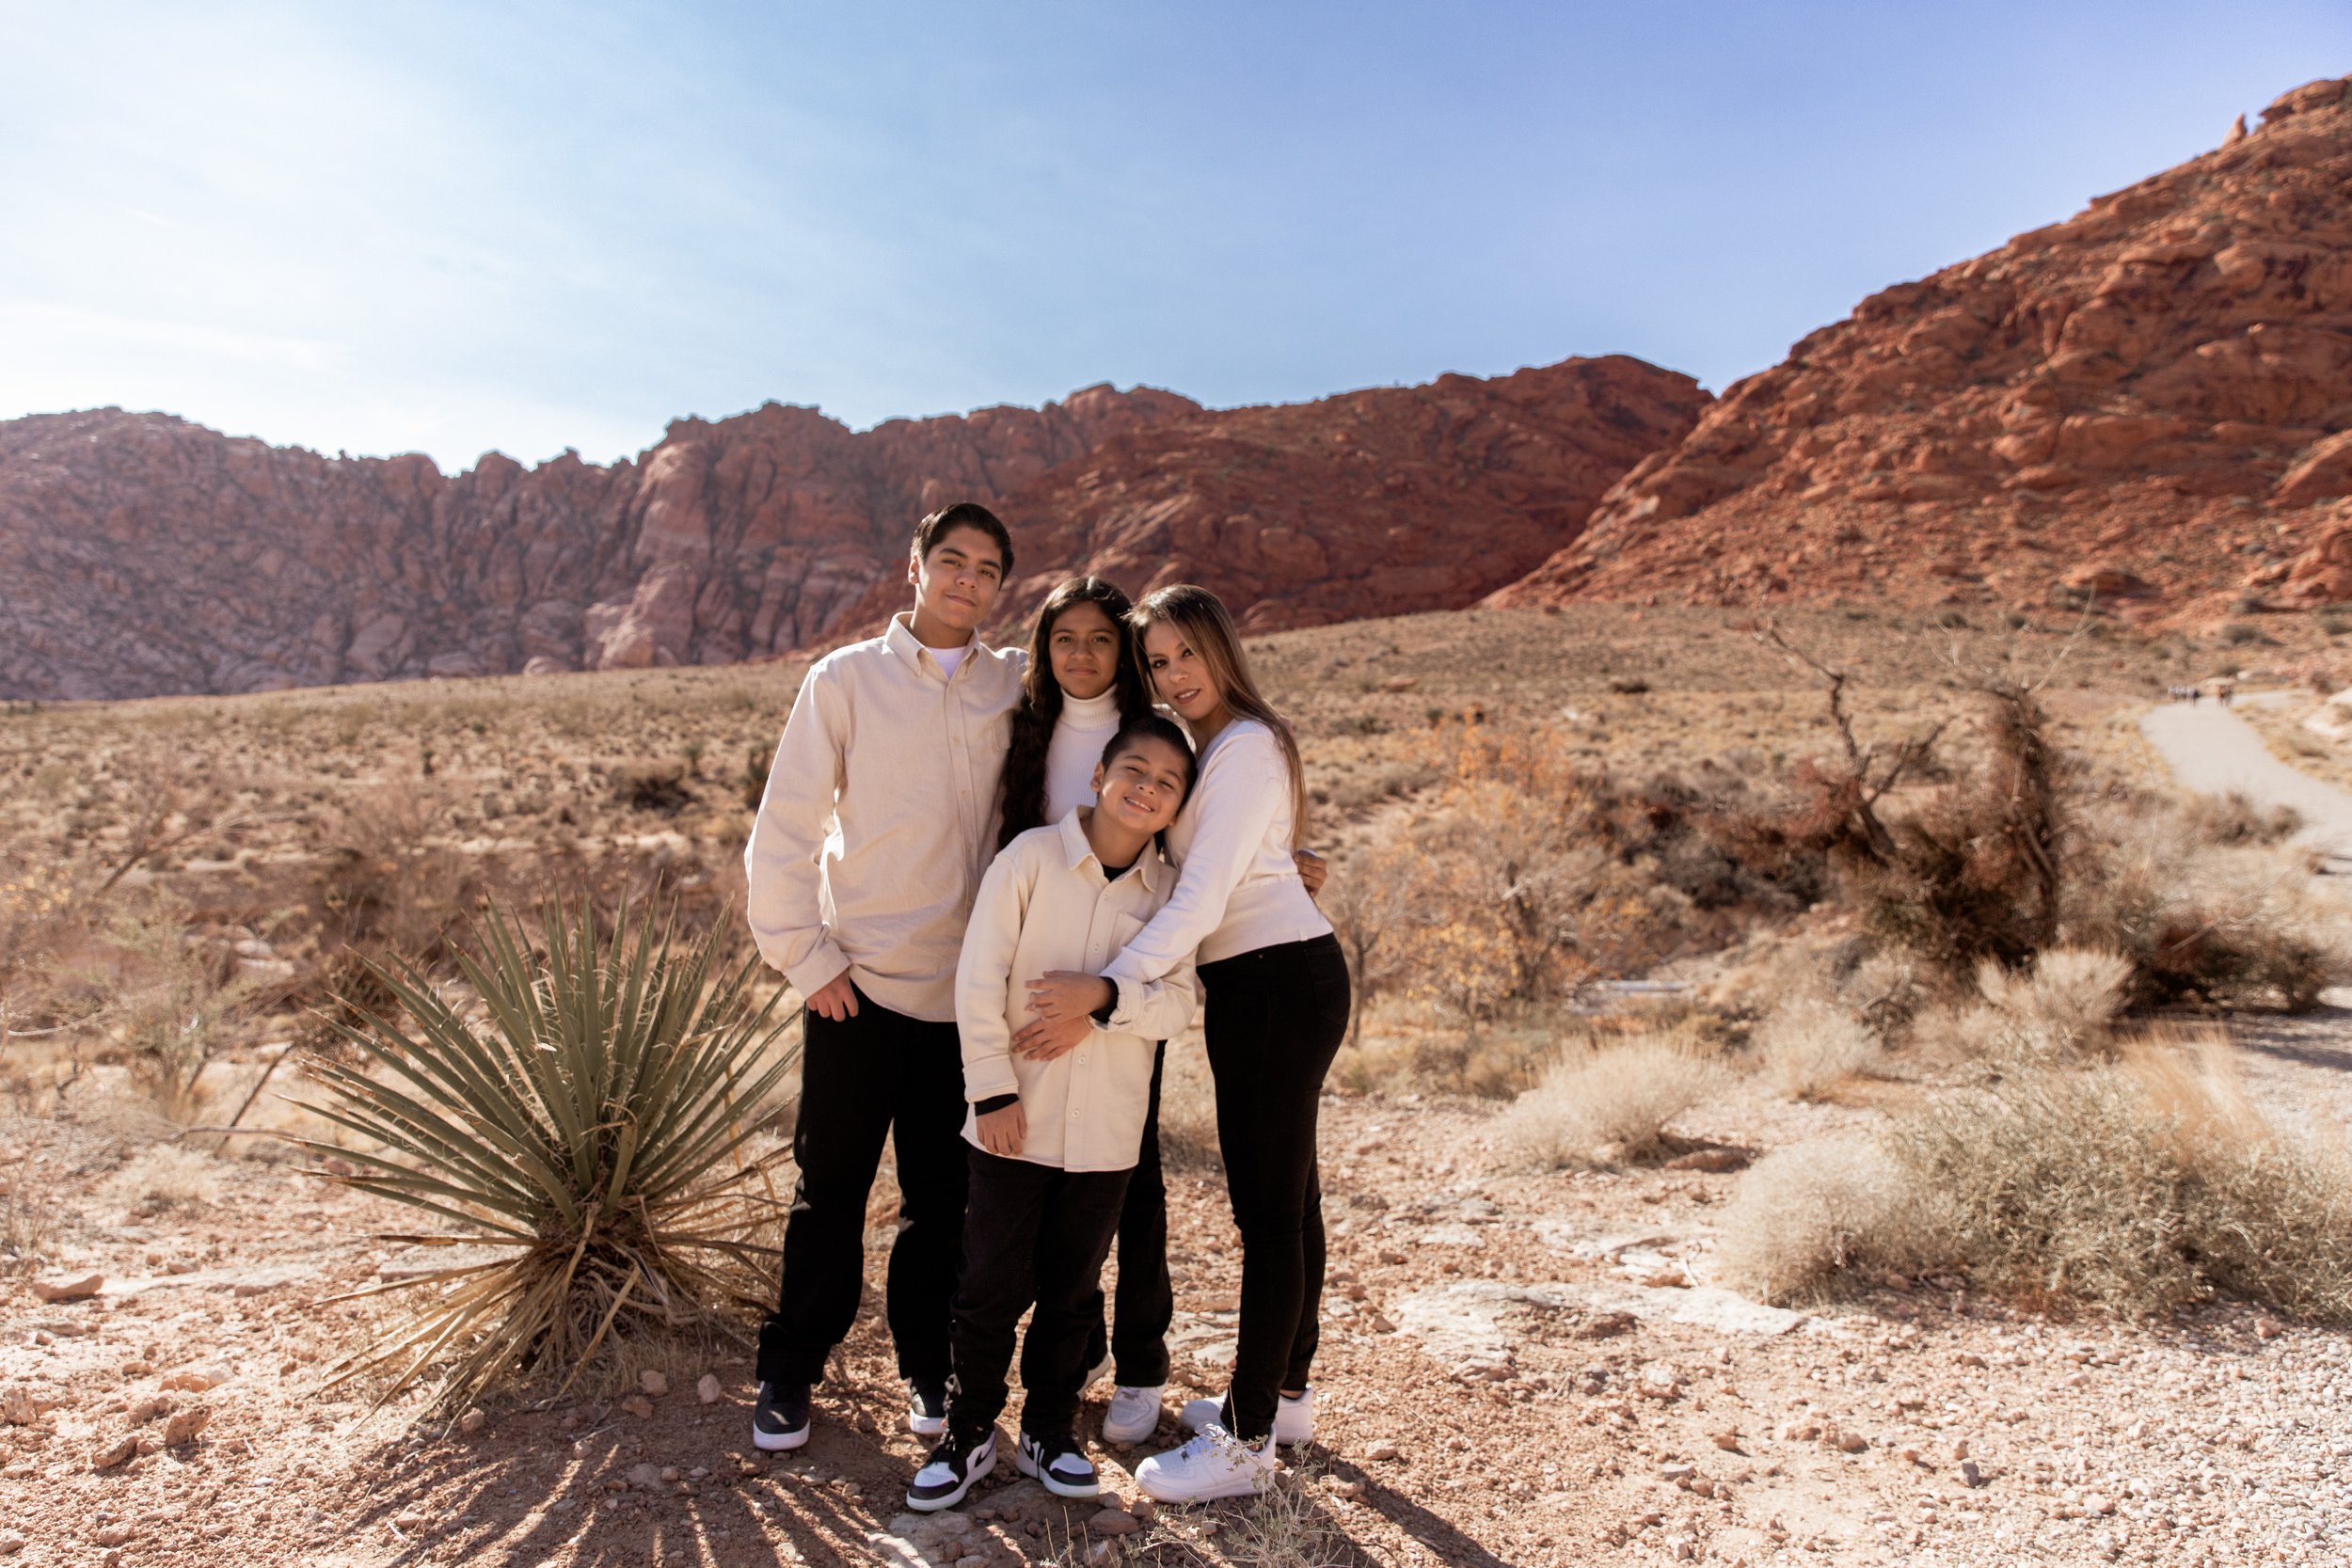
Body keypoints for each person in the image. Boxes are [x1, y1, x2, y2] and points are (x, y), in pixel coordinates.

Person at [1021, 585, 1350, 1503]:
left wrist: (1109, 987)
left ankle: (1245, 1443)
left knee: (1269, 1215)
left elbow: (1202, 899)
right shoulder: (1217, 750)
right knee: (1291, 1197)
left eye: (1184, 654)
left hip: (1280, 984)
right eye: (1156, 662)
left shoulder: (1243, 746)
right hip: (1263, 983)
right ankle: (1284, 1399)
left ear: (1221, 649)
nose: (1172, 675)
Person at [741, 501, 1024, 1452]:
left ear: (999, 585)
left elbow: (1136, 744)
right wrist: (806, 955)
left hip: (966, 998)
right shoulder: (844, 680)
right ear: (915, 566)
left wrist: (1278, 842)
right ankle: (789, 1369)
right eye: (952, 560)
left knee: (942, 1202)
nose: (966, 579)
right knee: (831, 1189)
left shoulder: (1018, 685)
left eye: (986, 568)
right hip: (857, 988)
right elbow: (783, 828)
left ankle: (928, 1365)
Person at [907, 716, 1203, 1512]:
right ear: (1100, 771)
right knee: (990, 1285)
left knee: (1073, 1289)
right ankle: (969, 1432)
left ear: (1177, 806)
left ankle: (1048, 1428)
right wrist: (992, 1091)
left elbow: (1179, 1004)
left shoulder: (1170, 895)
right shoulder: (1031, 859)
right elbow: (979, 978)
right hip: (1015, 1119)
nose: (1146, 787)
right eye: (1134, 769)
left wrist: (1103, 1000)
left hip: (1106, 1132)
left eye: (1167, 782)